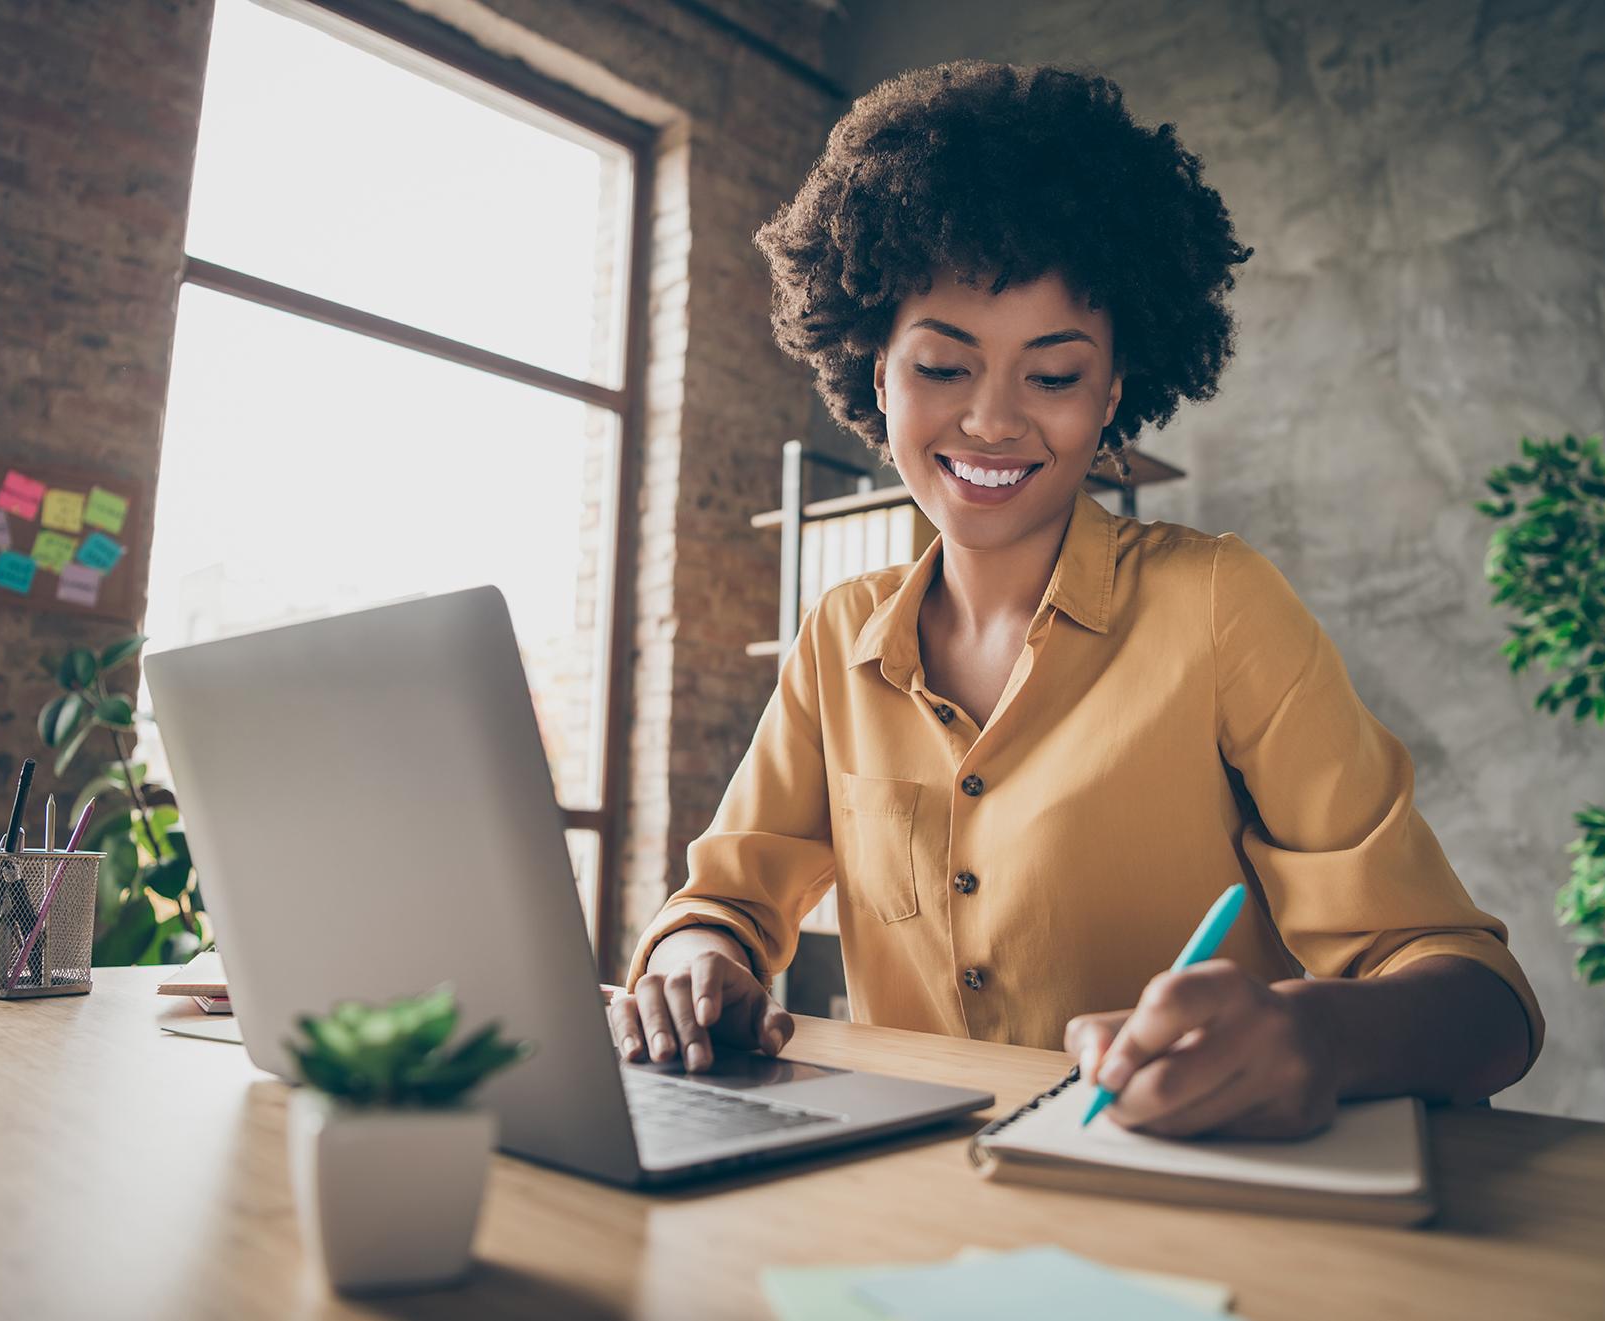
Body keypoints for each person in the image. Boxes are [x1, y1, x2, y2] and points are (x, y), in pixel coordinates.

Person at [609, 60, 1543, 1138]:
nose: (994, 422)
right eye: (942, 368)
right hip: (903, 1212)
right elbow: (724, 902)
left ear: (1112, 395)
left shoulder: (1216, 605)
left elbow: (1482, 1004)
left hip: (1192, 1210)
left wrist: (1316, 1037)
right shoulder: (837, 637)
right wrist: (695, 960)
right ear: (876, 377)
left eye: (1051, 376)